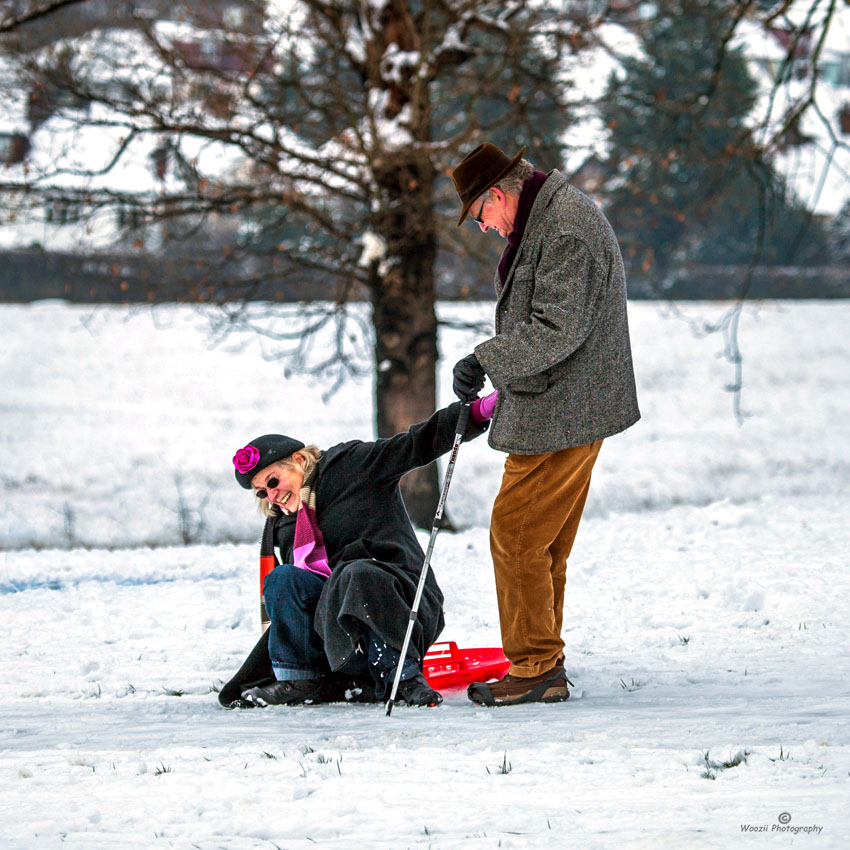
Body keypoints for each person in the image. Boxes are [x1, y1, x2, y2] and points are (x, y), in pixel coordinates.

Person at [449, 142, 640, 707]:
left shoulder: (565, 229)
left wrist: (487, 359)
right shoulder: (547, 217)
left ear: (499, 196)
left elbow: (558, 327)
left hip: (566, 407)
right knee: (541, 542)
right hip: (563, 402)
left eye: (481, 215)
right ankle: (543, 660)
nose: (484, 228)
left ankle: (534, 667)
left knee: (515, 535)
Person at [217, 401, 490, 709]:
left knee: (355, 573)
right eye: (261, 492)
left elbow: (415, 444)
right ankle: (302, 680)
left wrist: (476, 412)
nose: (272, 495)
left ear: (298, 460)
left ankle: (402, 676)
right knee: (283, 579)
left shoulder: (352, 466)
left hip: (399, 604)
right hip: (336, 632)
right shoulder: (284, 524)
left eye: (273, 481)